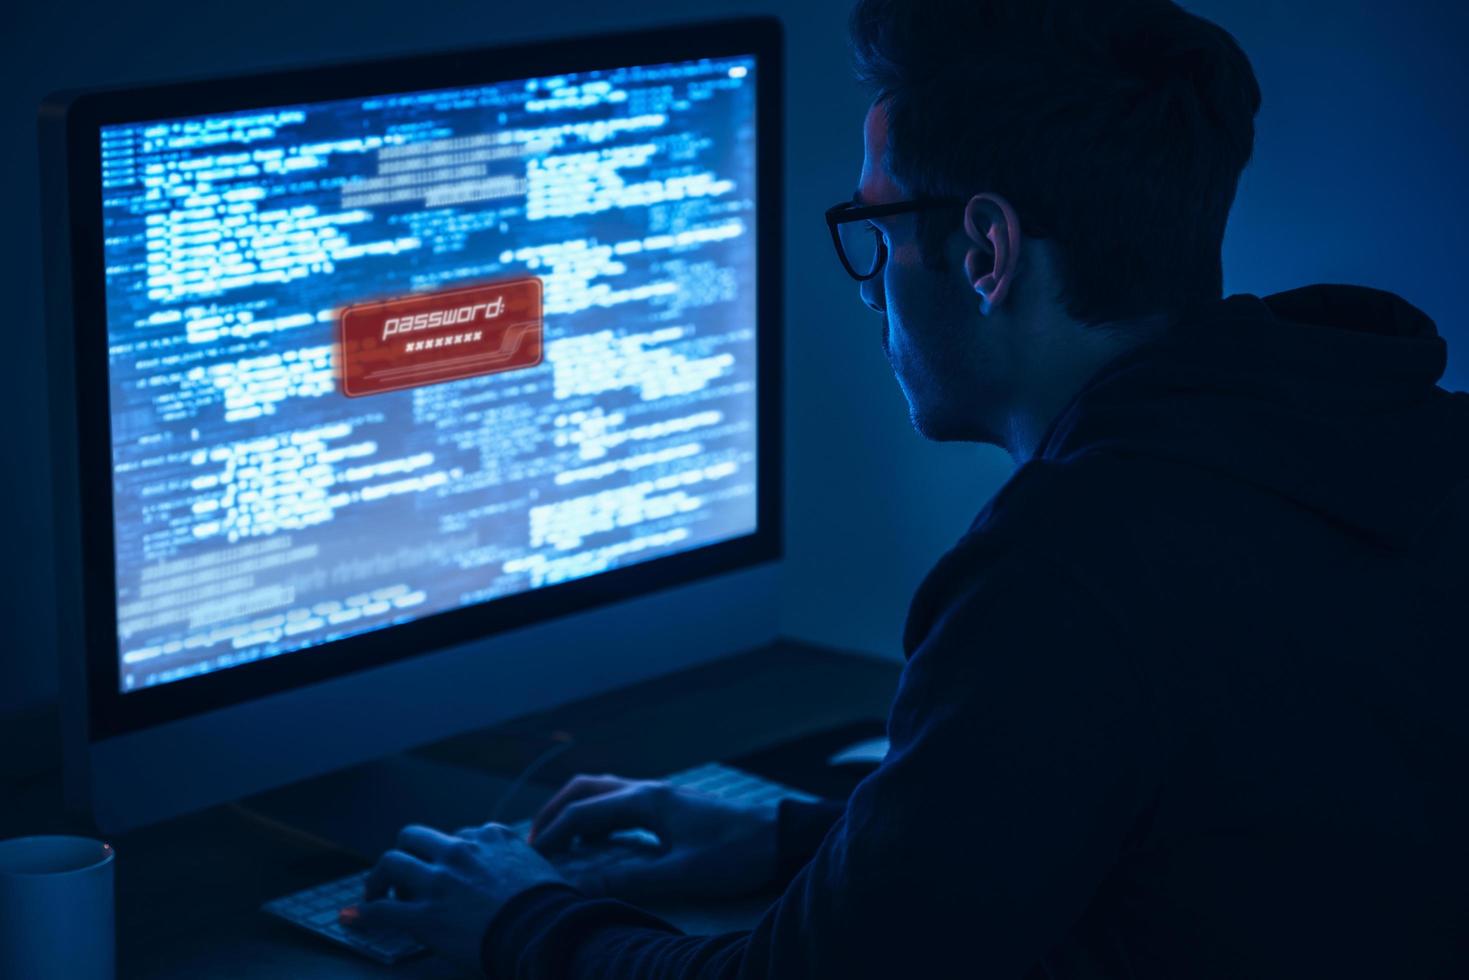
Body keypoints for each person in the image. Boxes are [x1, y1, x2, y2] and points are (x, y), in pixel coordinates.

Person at [348, 0, 1469, 975]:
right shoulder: (1382, 432)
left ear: (984, 251)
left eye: (873, 225)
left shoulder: (1069, 570)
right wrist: (806, 840)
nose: (869, 284)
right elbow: (1206, 827)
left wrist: (516, 912)